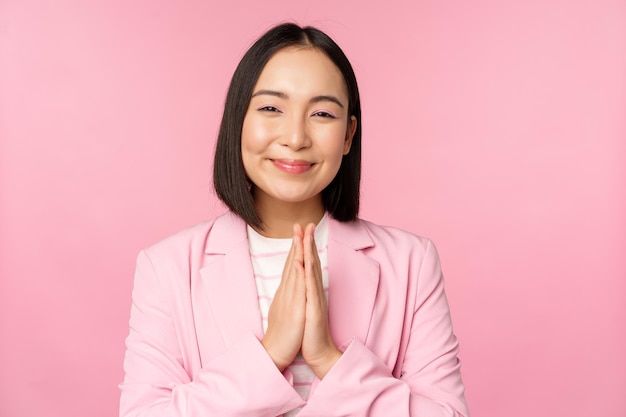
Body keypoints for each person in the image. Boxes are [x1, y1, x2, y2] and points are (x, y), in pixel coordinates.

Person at [119, 23, 469, 417]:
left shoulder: (411, 262)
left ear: (349, 135)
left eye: (321, 113)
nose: (296, 137)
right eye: (271, 108)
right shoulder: (165, 267)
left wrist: (328, 359)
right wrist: (269, 355)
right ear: (238, 120)